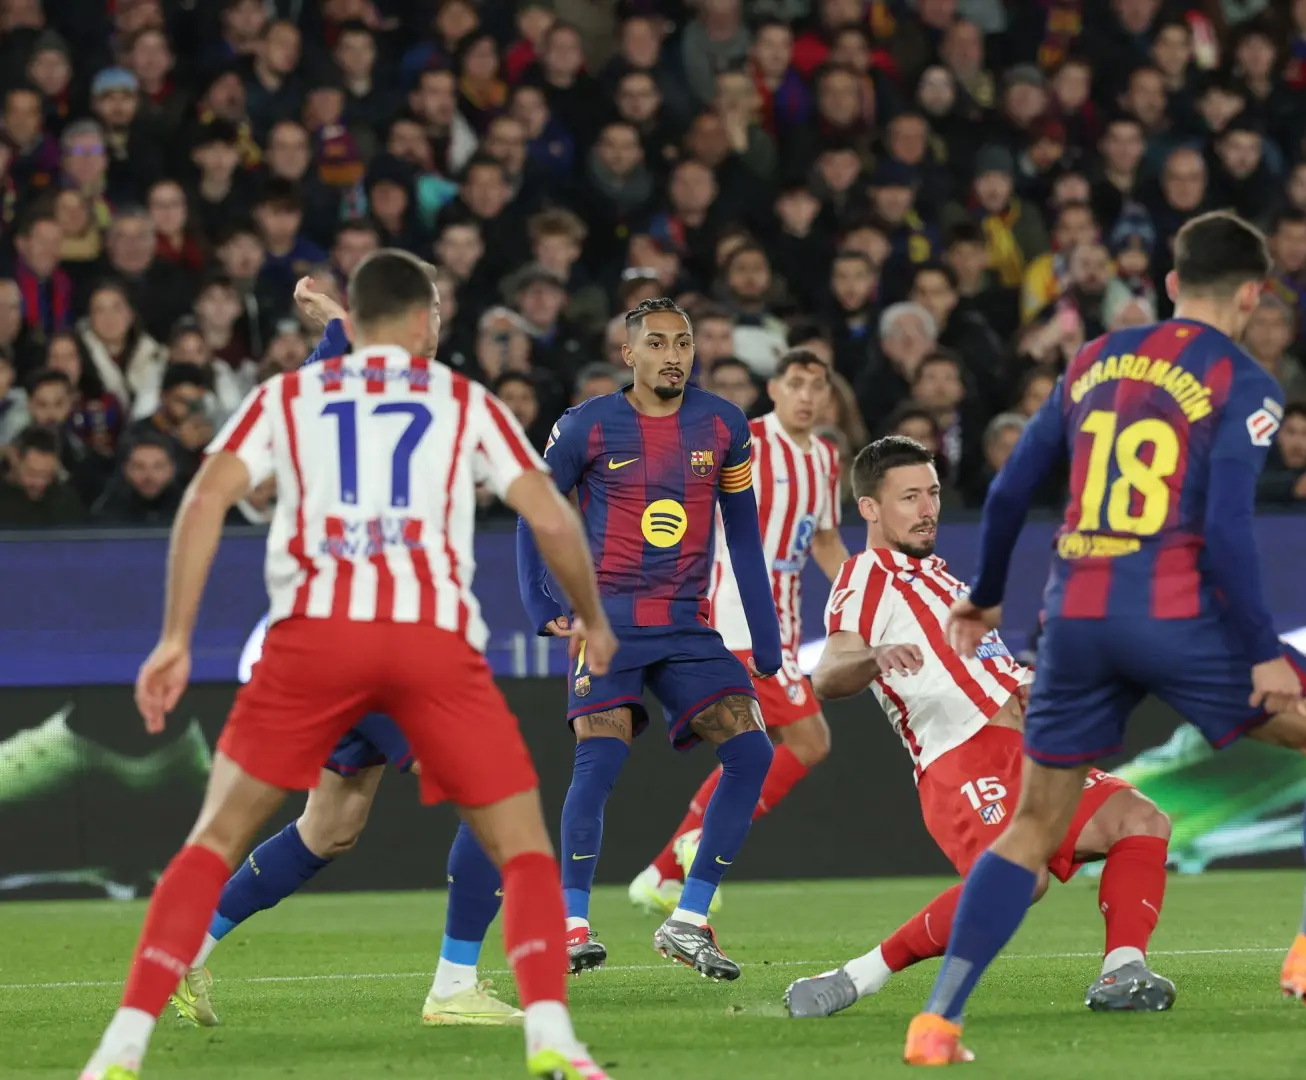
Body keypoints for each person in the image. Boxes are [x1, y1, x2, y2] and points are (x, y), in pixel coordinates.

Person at [77, 249, 618, 1080]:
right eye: (436, 314)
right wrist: (593, 617)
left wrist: (176, 636)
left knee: (268, 831)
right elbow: (549, 515)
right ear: (423, 320)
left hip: (311, 642)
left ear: (355, 323)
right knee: (515, 836)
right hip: (426, 643)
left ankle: (121, 1043)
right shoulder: (461, 399)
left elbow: (205, 498)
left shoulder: (291, 395)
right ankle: (536, 1026)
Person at [904, 212, 1306, 1066]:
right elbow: (1227, 528)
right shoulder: (1243, 381)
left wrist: (985, 596)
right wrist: (1260, 649)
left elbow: (1008, 492)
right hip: (1177, 614)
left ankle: (938, 1022)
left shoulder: (1092, 359)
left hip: (1073, 620)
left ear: (1173, 284)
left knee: (1032, 827)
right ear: (1251, 296)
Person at [169, 277, 525, 1031]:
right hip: (364, 638)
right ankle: (455, 985)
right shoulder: (389, 394)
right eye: (424, 308)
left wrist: (333, 314)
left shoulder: (386, 391)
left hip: (332, 640)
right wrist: (336, 316)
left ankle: (185, 948)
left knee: (328, 828)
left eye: (438, 308)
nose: (434, 321)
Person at [784, 436, 1176, 1018]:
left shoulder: (946, 582)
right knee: (1023, 878)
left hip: (1028, 749)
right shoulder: (868, 575)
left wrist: (1031, 684)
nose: (928, 509)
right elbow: (829, 673)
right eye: (909, 497)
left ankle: (1123, 969)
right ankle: (857, 976)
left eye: (933, 493)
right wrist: (875, 656)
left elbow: (991, 669)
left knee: (1141, 821)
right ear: (869, 508)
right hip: (960, 757)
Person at [516, 296, 782, 980]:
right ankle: (571, 924)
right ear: (628, 353)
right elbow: (535, 510)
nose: (673, 356)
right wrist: (542, 602)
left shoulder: (724, 425)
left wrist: (766, 635)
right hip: (608, 622)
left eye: (683, 343)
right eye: (658, 343)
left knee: (752, 752)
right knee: (599, 763)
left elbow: (743, 536)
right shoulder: (586, 425)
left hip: (687, 624)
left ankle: (688, 920)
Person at [630, 348, 851, 914]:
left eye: (816, 386)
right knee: (809, 741)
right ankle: (697, 844)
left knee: (753, 751)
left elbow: (825, 540)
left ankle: (662, 873)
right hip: (738, 619)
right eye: (795, 383)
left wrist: (860, 592)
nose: (806, 396)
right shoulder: (741, 439)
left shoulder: (825, 459)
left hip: (784, 626)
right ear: (773, 388)